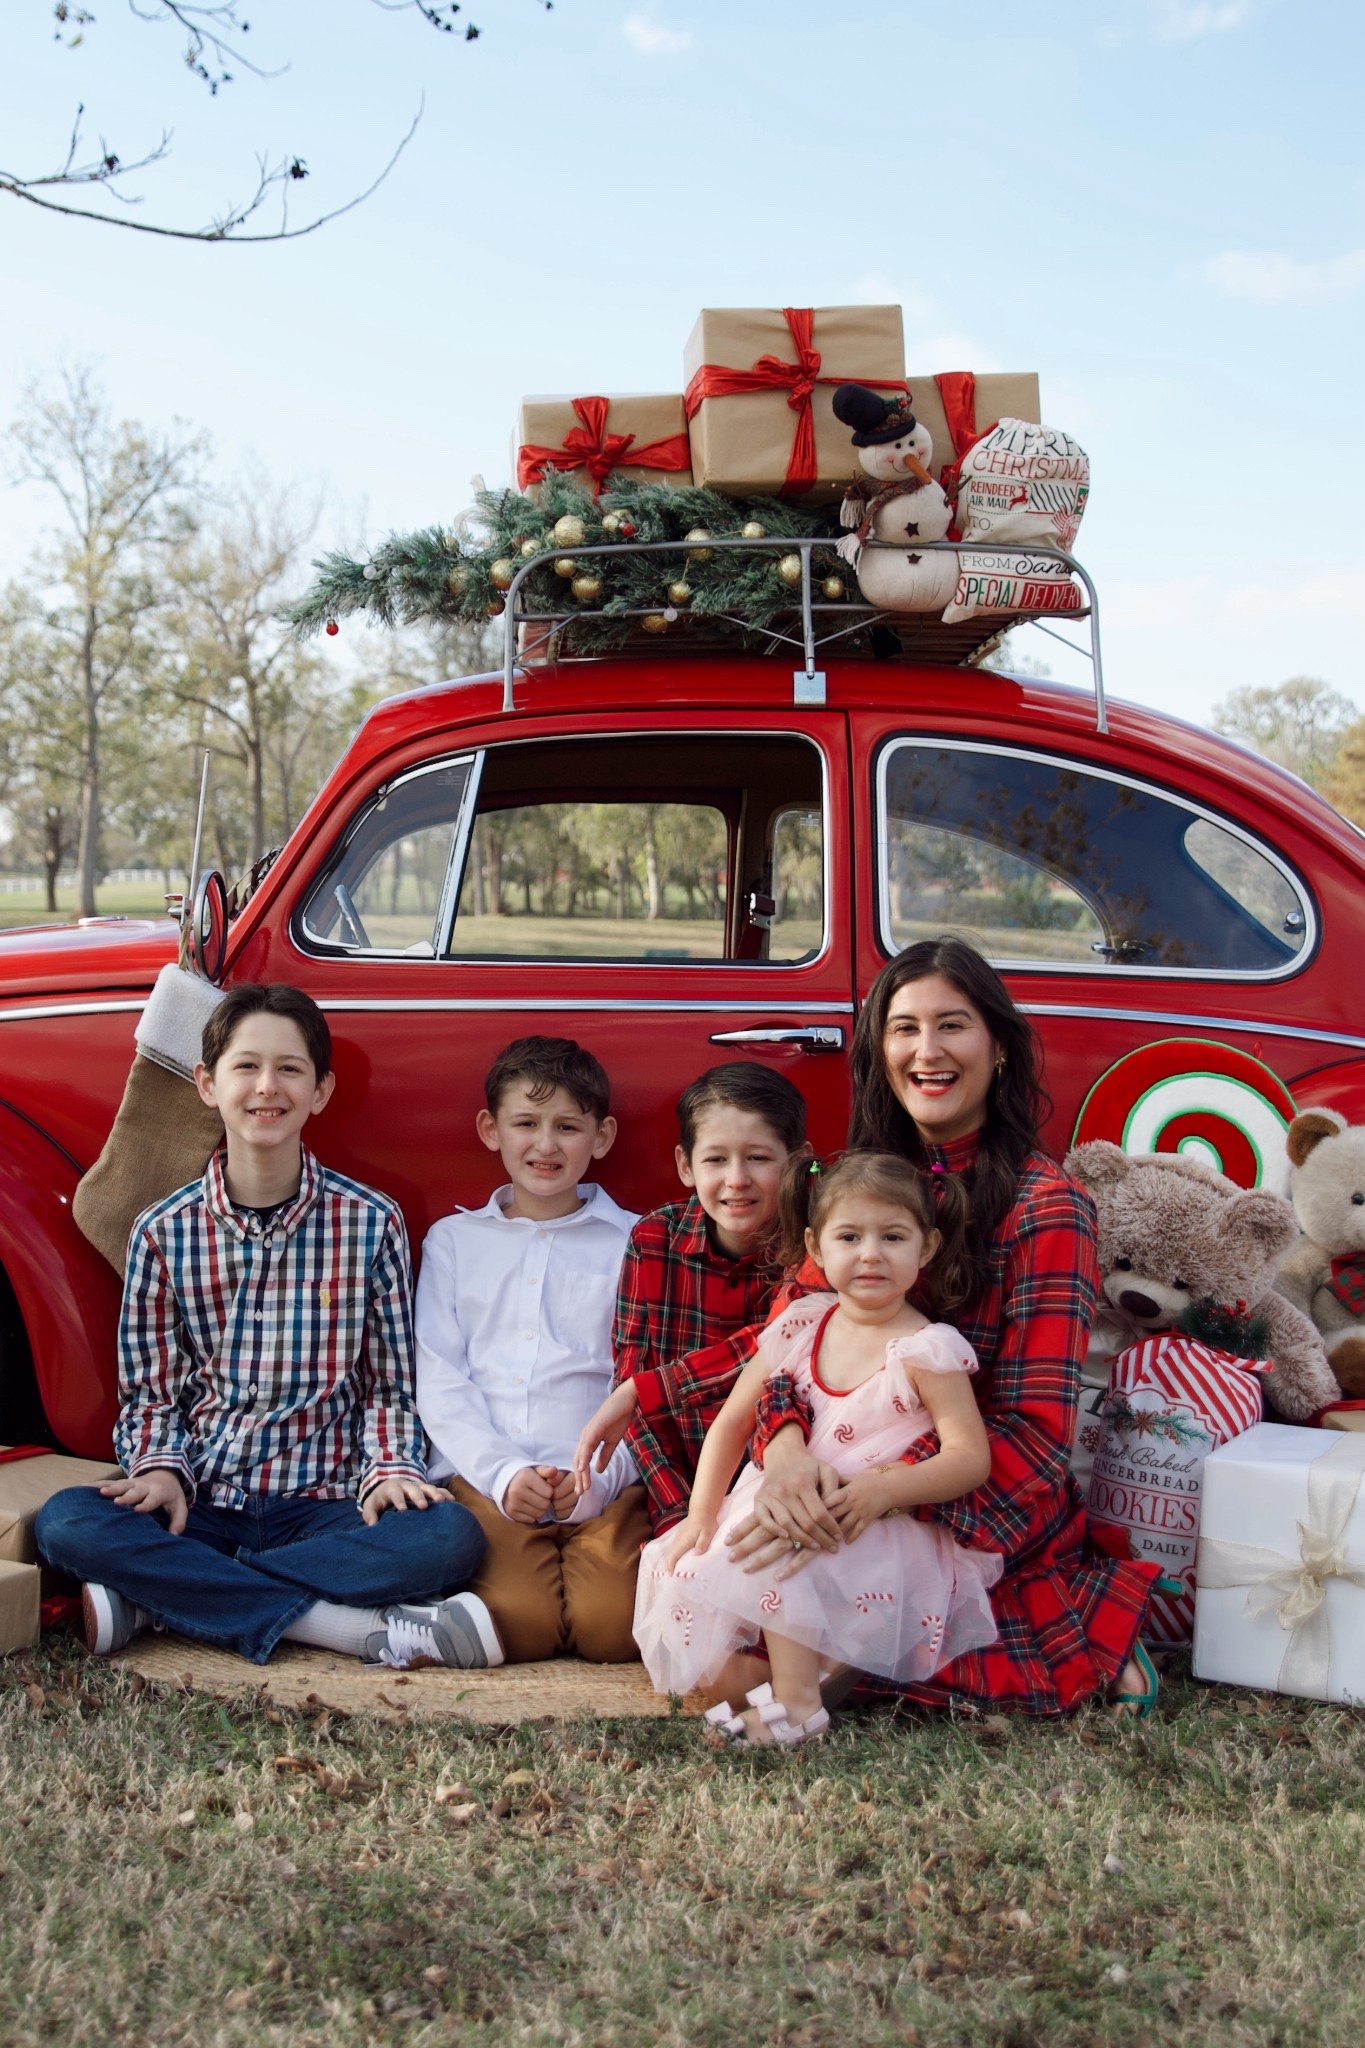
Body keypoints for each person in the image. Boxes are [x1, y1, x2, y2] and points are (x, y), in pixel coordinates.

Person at [731, 936, 1162, 1719]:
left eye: (951, 1026)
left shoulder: (1046, 1207)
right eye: (903, 1028)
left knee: (783, 1664)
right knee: (717, 1643)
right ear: (878, 1051)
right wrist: (786, 1456)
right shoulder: (858, 1183)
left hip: (969, 1491)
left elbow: (1035, 1433)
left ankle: (1068, 1619)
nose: (925, 1052)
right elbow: (786, 1354)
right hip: (836, 1474)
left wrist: (871, 1497)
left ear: (997, 1047)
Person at [36, 983, 496, 1671]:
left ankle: (165, 1597)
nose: (266, 1087)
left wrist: (388, 1471)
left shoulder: (371, 1223)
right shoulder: (162, 1231)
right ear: (207, 1084)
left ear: (320, 1090)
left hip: (328, 1506)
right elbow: (151, 1395)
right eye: (246, 1066)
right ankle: (340, 1626)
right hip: (202, 1499)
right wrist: (159, 1469)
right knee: (67, 1521)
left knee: (448, 1536)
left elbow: (390, 1388)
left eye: (289, 1069)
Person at [634, 1150, 1002, 1745]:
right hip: (782, 1499)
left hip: (870, 1522)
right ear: (817, 1247)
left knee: (789, 1550)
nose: (871, 1254)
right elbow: (732, 1422)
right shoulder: (802, 1325)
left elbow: (968, 1457)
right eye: (849, 1237)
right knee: (696, 1567)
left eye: (893, 1237)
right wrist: (701, 1514)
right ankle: (798, 1681)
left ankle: (800, 1707)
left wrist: (881, 1491)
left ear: (927, 1248)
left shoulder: (926, 1349)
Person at [415, 1036, 648, 1663]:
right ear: (491, 1130)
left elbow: (646, 1382)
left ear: (601, 1137)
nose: (546, 1145)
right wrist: (502, 1473)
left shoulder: (636, 1242)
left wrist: (601, 1477)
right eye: (526, 1123)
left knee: (614, 1631)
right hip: (491, 1480)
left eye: (568, 1127)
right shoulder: (454, 1241)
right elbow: (440, 1377)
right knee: (518, 1626)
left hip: (601, 1482)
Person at [573, 1062, 807, 1534]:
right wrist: (678, 1516)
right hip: (678, 1486)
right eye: (716, 1159)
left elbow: (782, 1347)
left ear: (798, 1163)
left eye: (758, 1158)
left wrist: (649, 1389)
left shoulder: (818, 1242)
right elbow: (634, 1398)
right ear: (686, 1165)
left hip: (783, 1482)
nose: (736, 1179)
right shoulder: (654, 1239)